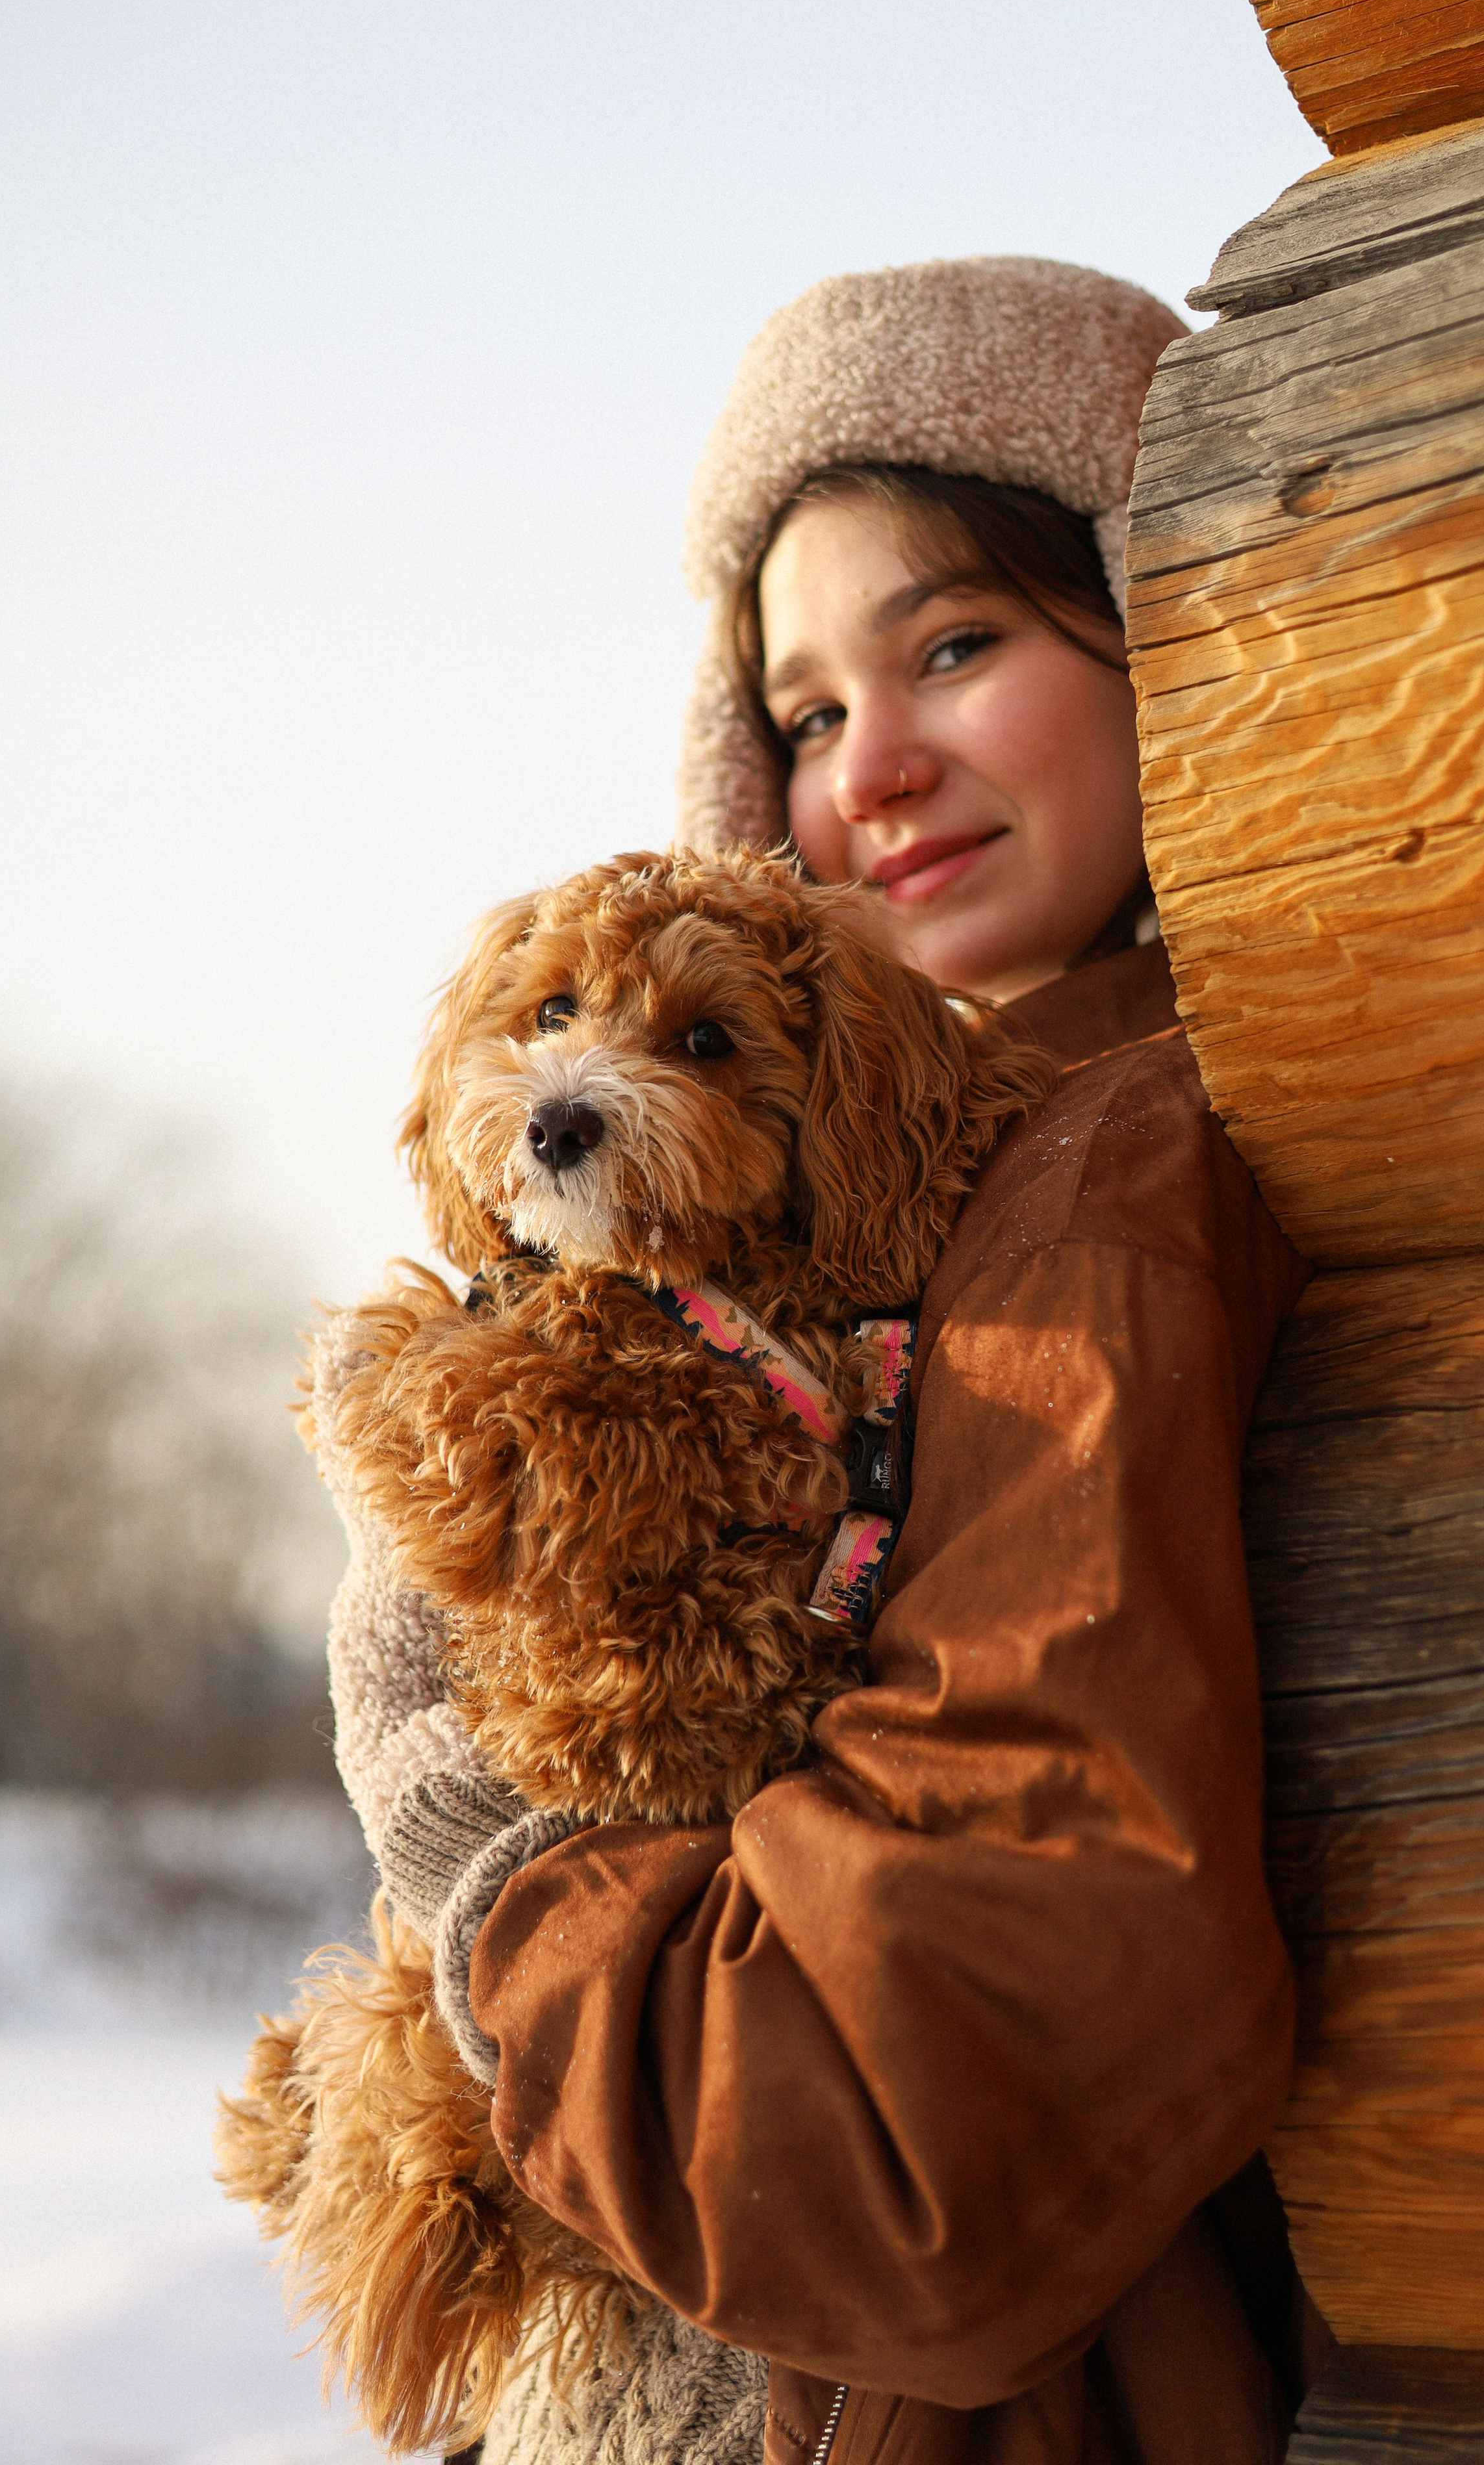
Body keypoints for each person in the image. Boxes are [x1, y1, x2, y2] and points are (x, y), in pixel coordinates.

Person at [320, 258, 1314, 2465]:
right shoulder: (867, 1220)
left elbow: (920, 2138)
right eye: (799, 713)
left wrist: (498, 1869)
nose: (872, 768)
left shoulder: (1109, 1176)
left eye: (955, 643)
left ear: (1177, 632)